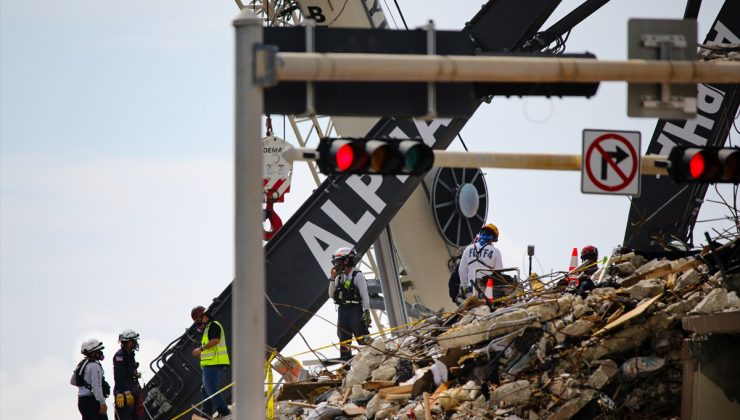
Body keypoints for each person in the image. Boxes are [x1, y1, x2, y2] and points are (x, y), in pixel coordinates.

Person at [328, 247, 371, 360]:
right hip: (343, 310)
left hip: (355, 310)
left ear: (346, 261)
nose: (336, 265)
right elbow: (332, 295)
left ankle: (370, 358)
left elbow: (364, 295)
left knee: (361, 336)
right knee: (343, 338)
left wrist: (366, 311)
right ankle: (345, 366)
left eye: (338, 261)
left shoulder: (357, 275)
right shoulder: (339, 277)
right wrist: (332, 279)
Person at [191, 305, 232, 418]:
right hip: (211, 363)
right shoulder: (208, 328)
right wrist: (202, 353)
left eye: (197, 320)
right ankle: (206, 413)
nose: (197, 323)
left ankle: (224, 411)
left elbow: (215, 340)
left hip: (215, 363)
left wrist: (200, 349)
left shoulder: (213, 325)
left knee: (210, 387)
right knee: (205, 389)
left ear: (201, 317)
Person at [458, 223, 504, 299]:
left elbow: (462, 271)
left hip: (471, 290)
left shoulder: (468, 249)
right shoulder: (496, 252)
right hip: (487, 292)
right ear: (493, 237)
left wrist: (465, 288)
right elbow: (499, 275)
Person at [71, 338, 110, 420]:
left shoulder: (82, 364)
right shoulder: (95, 366)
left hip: (82, 402)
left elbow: (73, 381)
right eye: (98, 351)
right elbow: (96, 387)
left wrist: (84, 386)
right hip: (92, 402)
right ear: (93, 351)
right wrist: (102, 403)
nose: (100, 353)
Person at [113, 329, 142, 420]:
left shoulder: (130, 354)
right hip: (125, 394)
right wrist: (123, 391)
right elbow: (119, 376)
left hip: (133, 392)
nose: (135, 343)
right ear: (128, 342)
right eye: (134, 341)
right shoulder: (120, 356)